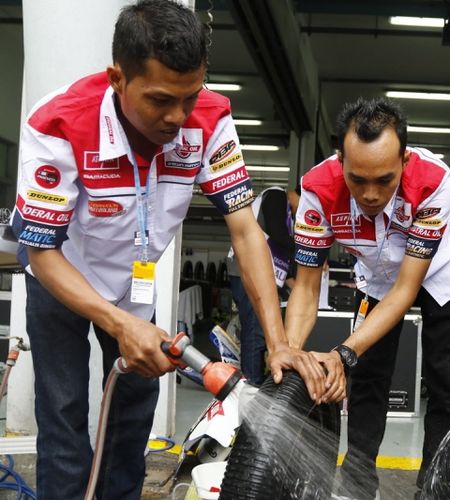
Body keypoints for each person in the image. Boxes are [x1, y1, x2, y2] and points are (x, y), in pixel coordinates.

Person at [10, 2, 324, 498]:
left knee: (133, 414)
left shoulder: (210, 119)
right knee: (64, 416)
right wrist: (119, 325)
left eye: (189, 96)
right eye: (159, 99)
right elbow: (43, 253)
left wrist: (279, 339)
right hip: (61, 279)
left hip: (133, 285)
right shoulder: (59, 123)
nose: (177, 116)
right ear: (118, 78)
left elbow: (244, 231)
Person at [280, 97, 450, 499]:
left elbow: (407, 290)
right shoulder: (317, 189)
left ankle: (436, 485)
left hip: (441, 266)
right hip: (377, 269)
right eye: (357, 180)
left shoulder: (434, 180)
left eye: (384, 181)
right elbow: (306, 285)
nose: (370, 194)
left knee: (444, 380)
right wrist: (290, 351)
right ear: (339, 160)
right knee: (369, 377)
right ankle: (357, 482)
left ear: (404, 160)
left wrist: (343, 353)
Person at [227, 186, 300, 384]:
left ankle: (253, 378)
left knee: (256, 329)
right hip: (248, 269)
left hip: (253, 270)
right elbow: (278, 235)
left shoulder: (283, 206)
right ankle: (252, 385)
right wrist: (306, 247)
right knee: (255, 331)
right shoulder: (277, 196)